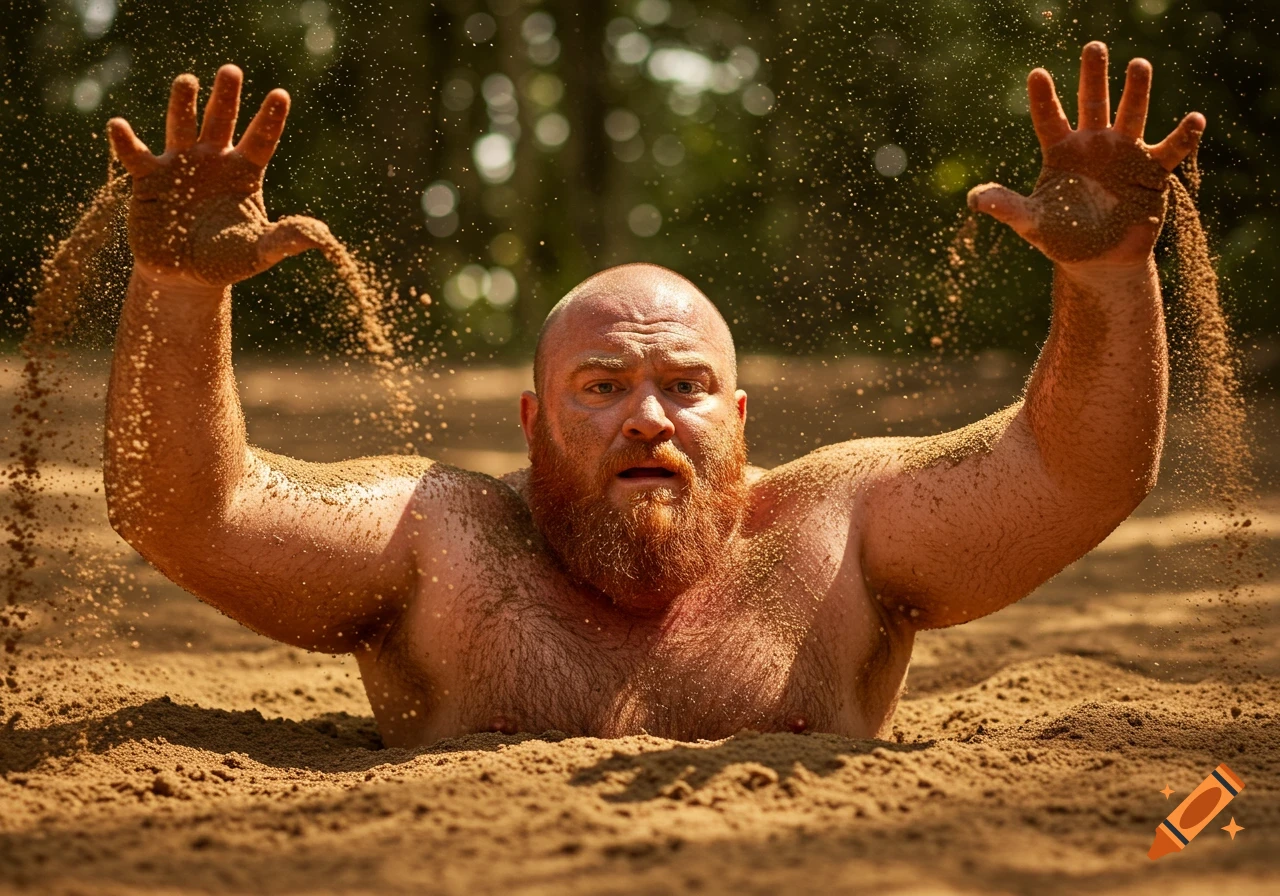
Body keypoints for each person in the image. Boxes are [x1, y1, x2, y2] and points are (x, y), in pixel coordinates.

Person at [103, 42, 1204, 747]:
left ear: (737, 420)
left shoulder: (836, 524)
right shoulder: (439, 531)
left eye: (685, 386)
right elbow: (188, 513)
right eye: (600, 385)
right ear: (531, 420)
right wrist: (177, 292)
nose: (647, 415)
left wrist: (1106, 277)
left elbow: (1075, 473)